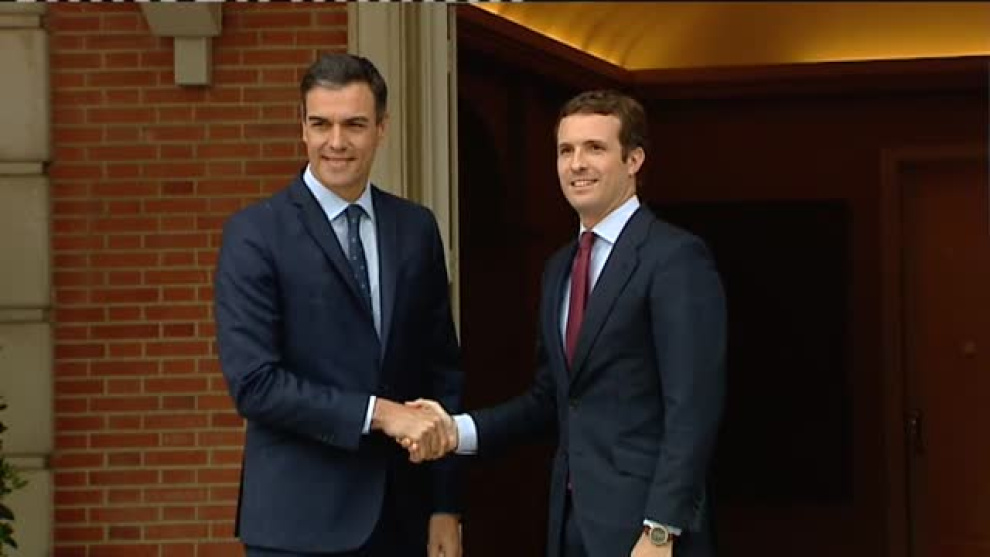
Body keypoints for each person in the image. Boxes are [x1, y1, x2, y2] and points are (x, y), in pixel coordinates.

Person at [411, 89, 726, 557]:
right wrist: (458, 431)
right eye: (565, 150)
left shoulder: (674, 258)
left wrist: (661, 529)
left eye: (594, 148)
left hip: (648, 532)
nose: (577, 164)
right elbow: (551, 400)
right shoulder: (560, 268)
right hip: (570, 525)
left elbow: (692, 409)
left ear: (634, 159)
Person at [214, 53, 463, 557]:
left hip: (402, 519)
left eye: (354, 124)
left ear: (382, 129)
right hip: (297, 525)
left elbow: (442, 372)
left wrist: (445, 505)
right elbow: (255, 384)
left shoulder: (415, 229)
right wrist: (381, 414)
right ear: (302, 128)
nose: (336, 142)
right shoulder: (255, 234)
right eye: (320, 124)